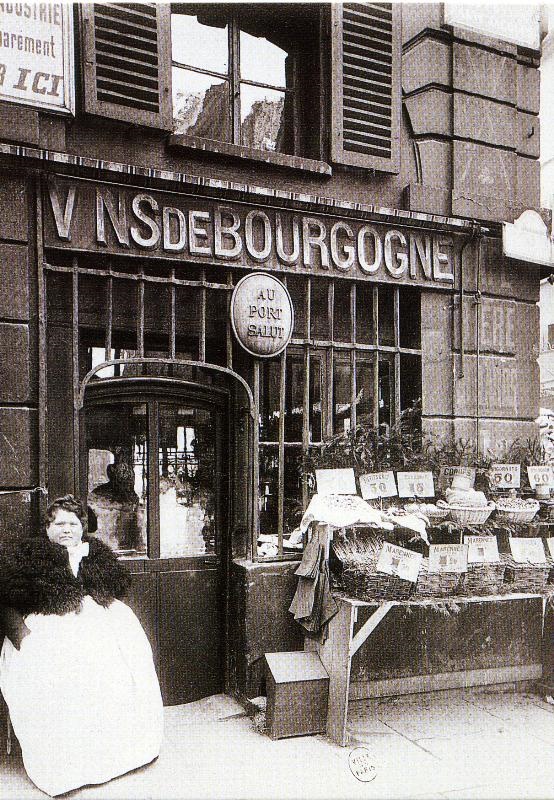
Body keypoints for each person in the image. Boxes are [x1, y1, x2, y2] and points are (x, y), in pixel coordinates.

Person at [0, 494, 163, 797]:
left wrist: (91, 579)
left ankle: (119, 755)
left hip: (99, 626)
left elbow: (114, 587)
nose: (66, 530)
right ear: (47, 528)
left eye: (73, 524)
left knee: (118, 675)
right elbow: (6, 600)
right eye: (59, 523)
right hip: (47, 629)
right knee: (59, 686)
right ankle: (66, 769)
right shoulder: (29, 556)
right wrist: (22, 636)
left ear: (82, 528)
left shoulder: (96, 554)